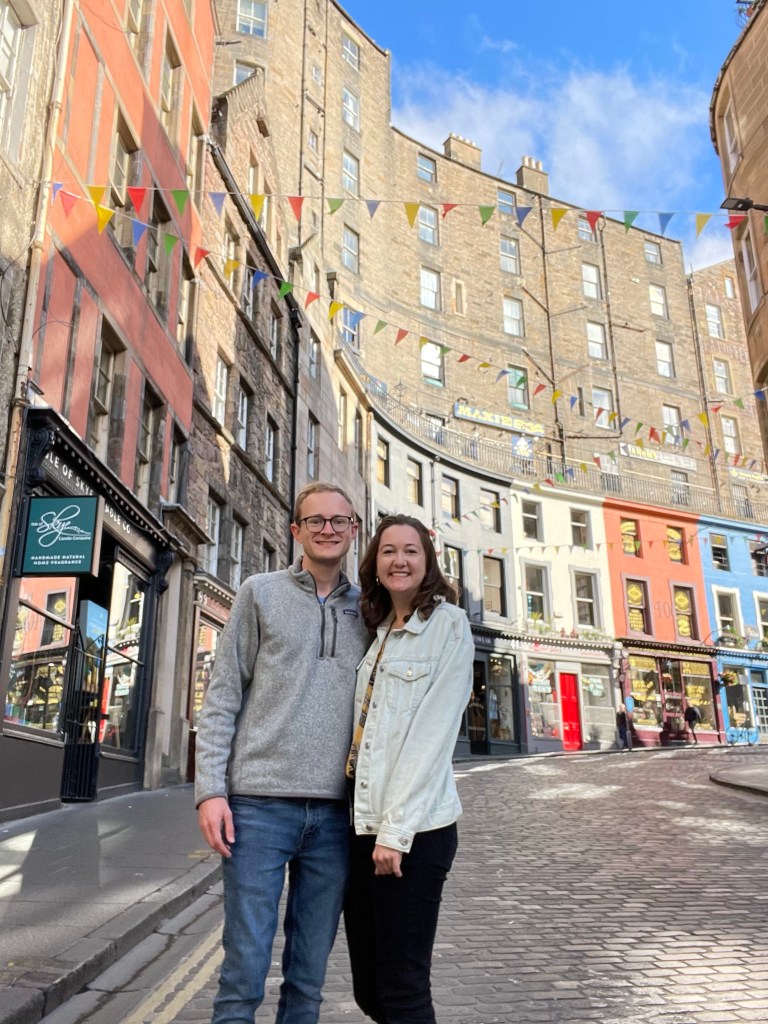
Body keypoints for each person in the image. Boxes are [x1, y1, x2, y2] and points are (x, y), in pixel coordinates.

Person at [195, 482, 371, 1024]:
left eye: (338, 521)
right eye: (315, 520)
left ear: (354, 530)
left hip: (337, 816)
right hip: (257, 808)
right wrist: (210, 791)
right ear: (296, 531)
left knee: (308, 979)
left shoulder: (370, 609)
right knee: (243, 973)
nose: (327, 529)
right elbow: (223, 695)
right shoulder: (259, 592)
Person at [344, 514, 474, 1024]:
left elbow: (431, 735)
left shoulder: (448, 625)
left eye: (411, 551)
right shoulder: (377, 631)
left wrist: (395, 832)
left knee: (403, 990)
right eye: (388, 551)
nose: (399, 560)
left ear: (427, 561)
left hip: (413, 831)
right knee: (370, 990)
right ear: (375, 563)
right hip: (360, 824)